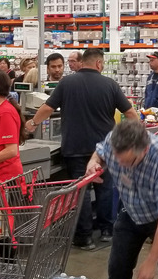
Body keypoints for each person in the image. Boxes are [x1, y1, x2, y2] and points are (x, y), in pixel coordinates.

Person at [26, 48, 139, 250]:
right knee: (105, 189)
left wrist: (32, 123)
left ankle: (84, 238)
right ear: (98, 63)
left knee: (81, 192)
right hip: (105, 149)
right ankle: (106, 232)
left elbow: (47, 108)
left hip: (75, 147)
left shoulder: (67, 83)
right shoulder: (110, 85)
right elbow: (130, 113)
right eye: (102, 64)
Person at [85, 120, 158, 279]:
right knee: (118, 268)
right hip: (132, 208)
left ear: (145, 150)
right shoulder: (113, 140)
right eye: (117, 160)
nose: (122, 167)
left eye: (128, 162)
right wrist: (93, 163)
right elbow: (100, 152)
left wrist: (151, 260)